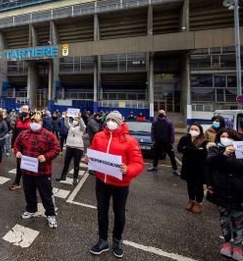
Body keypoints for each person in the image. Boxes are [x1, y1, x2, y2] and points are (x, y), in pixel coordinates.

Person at [84, 111, 144, 258]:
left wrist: (127, 169)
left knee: (120, 214)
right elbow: (94, 152)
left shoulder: (130, 141)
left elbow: (138, 163)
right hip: (101, 182)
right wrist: (88, 157)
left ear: (120, 122)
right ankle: (102, 240)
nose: (111, 122)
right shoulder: (98, 136)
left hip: (120, 184)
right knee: (102, 211)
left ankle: (117, 241)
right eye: (109, 119)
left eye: (114, 120)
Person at [14, 114, 60, 228]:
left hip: (43, 171)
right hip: (27, 170)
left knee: (46, 194)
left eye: (37, 121)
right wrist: (17, 152)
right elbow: (16, 145)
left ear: (41, 122)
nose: (34, 123)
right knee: (29, 192)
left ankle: (50, 214)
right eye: (32, 121)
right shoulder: (24, 133)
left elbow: (56, 148)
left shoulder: (48, 135)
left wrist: (46, 156)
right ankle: (31, 209)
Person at [206, 129, 243, 260]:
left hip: (238, 193)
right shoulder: (216, 149)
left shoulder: (240, 150)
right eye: (223, 136)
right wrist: (224, 154)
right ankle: (227, 243)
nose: (226, 138)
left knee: (238, 221)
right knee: (224, 219)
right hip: (221, 191)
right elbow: (210, 163)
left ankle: (238, 246)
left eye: (229, 137)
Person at [177, 123, 208, 214]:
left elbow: (203, 154)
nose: (193, 131)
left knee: (198, 185)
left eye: (196, 129)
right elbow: (179, 149)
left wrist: (187, 149)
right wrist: (195, 150)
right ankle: (191, 201)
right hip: (187, 165)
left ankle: (199, 203)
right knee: (189, 184)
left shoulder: (204, 140)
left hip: (199, 166)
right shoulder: (185, 138)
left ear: (200, 131)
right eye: (192, 129)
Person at [56, 113, 86, 185]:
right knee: (66, 162)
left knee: (76, 164)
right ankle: (63, 176)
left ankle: (75, 178)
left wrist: (80, 118)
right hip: (69, 146)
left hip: (78, 148)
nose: (75, 120)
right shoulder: (71, 126)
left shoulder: (82, 127)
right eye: (74, 119)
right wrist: (66, 117)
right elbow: (66, 124)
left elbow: (83, 126)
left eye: (76, 119)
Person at [147, 110, 178, 175]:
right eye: (160, 112)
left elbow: (172, 133)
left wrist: (171, 142)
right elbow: (152, 131)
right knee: (155, 156)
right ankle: (154, 167)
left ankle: (175, 170)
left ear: (165, 114)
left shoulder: (169, 122)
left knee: (172, 157)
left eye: (162, 112)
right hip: (158, 142)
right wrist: (153, 140)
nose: (161, 113)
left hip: (167, 143)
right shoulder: (155, 122)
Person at [9, 105, 32, 191]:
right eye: (23, 109)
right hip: (19, 148)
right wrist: (12, 146)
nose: (24, 111)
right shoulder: (18, 121)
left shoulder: (32, 121)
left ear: (29, 111)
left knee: (28, 166)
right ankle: (17, 182)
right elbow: (14, 134)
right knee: (19, 165)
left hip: (29, 148)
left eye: (26, 109)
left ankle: (30, 185)